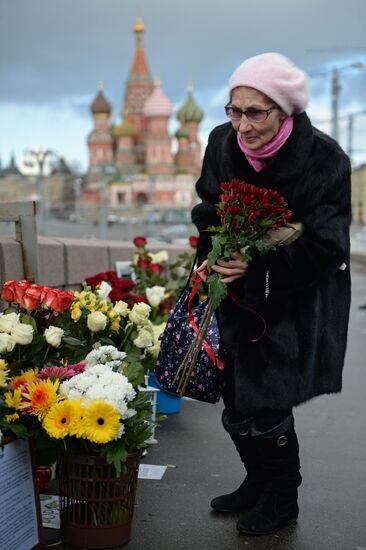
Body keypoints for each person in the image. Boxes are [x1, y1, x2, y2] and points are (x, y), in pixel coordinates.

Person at [192, 52, 351, 536]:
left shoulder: (324, 158)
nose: (242, 125)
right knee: (236, 399)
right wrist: (213, 258)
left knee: (268, 400)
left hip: (295, 299)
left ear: (285, 112)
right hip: (233, 291)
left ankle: (283, 498)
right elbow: (208, 206)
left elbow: (327, 245)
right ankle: (257, 483)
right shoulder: (222, 143)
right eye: (234, 110)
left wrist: (259, 266)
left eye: (256, 112)